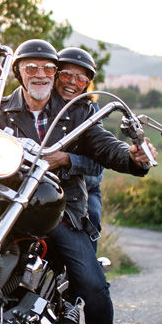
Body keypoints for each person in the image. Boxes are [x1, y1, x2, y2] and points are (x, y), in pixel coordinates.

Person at [0, 39, 157, 324]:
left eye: (48, 69)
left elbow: (104, 146)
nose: (42, 75)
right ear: (19, 69)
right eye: (32, 68)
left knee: (94, 287)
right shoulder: (2, 108)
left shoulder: (75, 112)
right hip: (3, 200)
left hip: (52, 206)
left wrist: (132, 157)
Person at [55, 47, 104, 254]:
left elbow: (97, 166)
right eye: (66, 74)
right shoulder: (41, 103)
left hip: (82, 185)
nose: (72, 82)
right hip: (40, 182)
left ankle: (86, 275)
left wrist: (66, 159)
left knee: (90, 215)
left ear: (87, 85)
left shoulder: (91, 112)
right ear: (55, 75)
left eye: (80, 79)